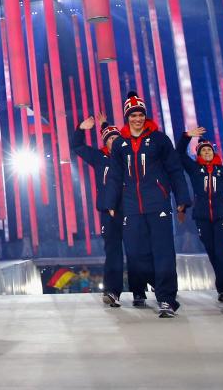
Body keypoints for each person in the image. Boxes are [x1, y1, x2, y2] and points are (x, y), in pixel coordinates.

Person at [100, 92, 191, 318]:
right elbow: (114, 176)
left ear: (145, 116)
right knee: (136, 254)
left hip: (157, 204)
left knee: (164, 253)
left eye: (140, 114)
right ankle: (153, 282)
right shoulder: (120, 144)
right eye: (133, 115)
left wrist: (182, 199)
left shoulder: (160, 140)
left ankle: (167, 300)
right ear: (127, 117)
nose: (137, 119)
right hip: (131, 207)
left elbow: (175, 170)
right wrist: (111, 202)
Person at [73, 114, 147, 307]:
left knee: (135, 252)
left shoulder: (129, 156)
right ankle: (112, 292)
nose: (114, 140)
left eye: (116, 138)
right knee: (113, 252)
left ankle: (139, 292)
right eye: (109, 138)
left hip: (131, 211)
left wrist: (106, 125)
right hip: (109, 214)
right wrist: (81, 128)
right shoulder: (99, 158)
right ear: (105, 142)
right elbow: (77, 146)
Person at [176, 126, 223, 302]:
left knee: (222, 252)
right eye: (203, 150)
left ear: (213, 152)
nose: (207, 152)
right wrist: (186, 136)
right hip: (202, 217)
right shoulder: (194, 169)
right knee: (213, 253)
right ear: (199, 154)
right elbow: (179, 153)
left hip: (222, 216)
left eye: (209, 150)